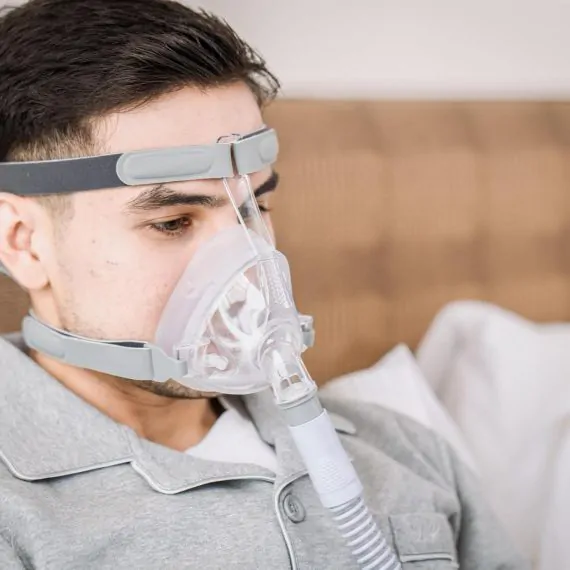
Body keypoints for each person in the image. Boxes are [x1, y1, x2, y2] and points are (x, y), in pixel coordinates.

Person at [0, 1, 528, 569]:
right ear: (23, 242)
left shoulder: (402, 451)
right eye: (173, 222)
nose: (247, 266)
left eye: (256, 206)